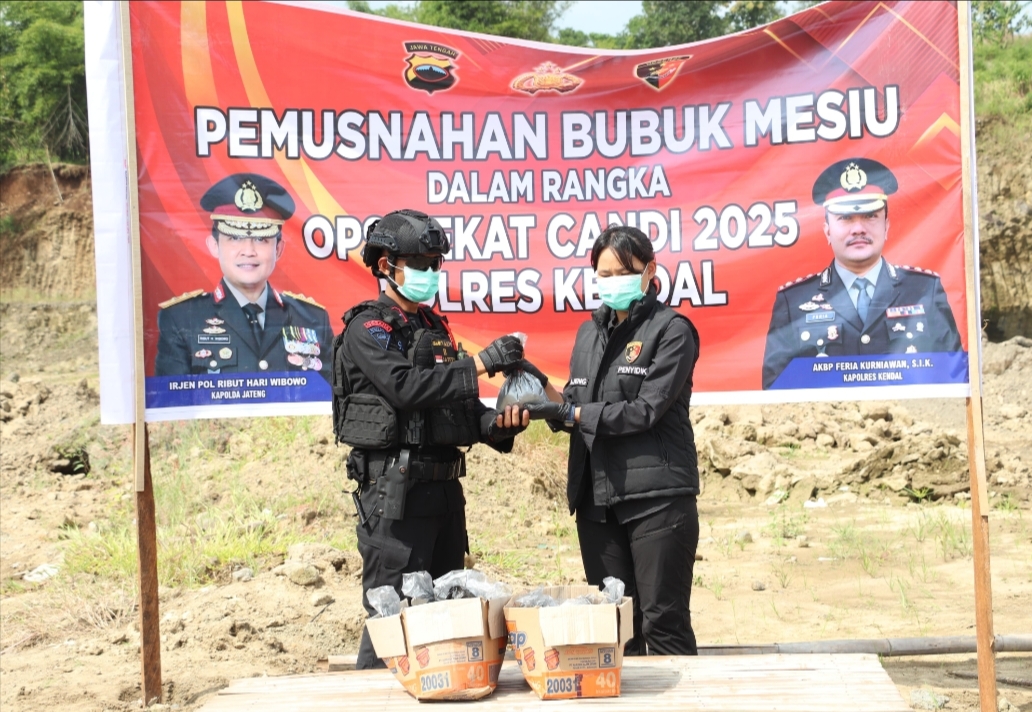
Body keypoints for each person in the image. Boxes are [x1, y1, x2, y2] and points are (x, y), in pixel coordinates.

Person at [333, 208, 529, 669]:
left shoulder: (434, 328)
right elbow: (405, 388)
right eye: (420, 264)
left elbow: (458, 408)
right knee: (392, 622)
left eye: (435, 264)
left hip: (444, 496)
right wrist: (481, 363)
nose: (430, 273)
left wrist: (498, 425)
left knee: (445, 619)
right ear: (387, 266)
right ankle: (370, 697)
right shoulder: (368, 329)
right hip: (395, 499)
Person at [523, 225, 701, 656]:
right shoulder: (589, 334)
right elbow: (573, 407)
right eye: (604, 274)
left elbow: (645, 410)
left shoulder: (672, 331)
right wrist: (535, 385)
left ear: (650, 271)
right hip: (596, 504)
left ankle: (683, 693)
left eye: (624, 272)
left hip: (656, 501)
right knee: (615, 629)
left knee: (663, 623)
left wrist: (574, 413)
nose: (613, 282)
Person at [761, 158, 963, 389]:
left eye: (870, 216)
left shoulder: (924, 291)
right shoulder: (794, 302)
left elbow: (954, 379)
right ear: (827, 231)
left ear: (886, 226)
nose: (858, 229)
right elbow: (776, 391)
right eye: (845, 218)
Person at [154, 173, 333, 381]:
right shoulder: (181, 319)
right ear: (214, 246)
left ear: (278, 249)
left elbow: (331, 394)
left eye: (261, 239)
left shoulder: (312, 318)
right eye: (235, 238)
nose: (248, 251)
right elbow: (173, 398)